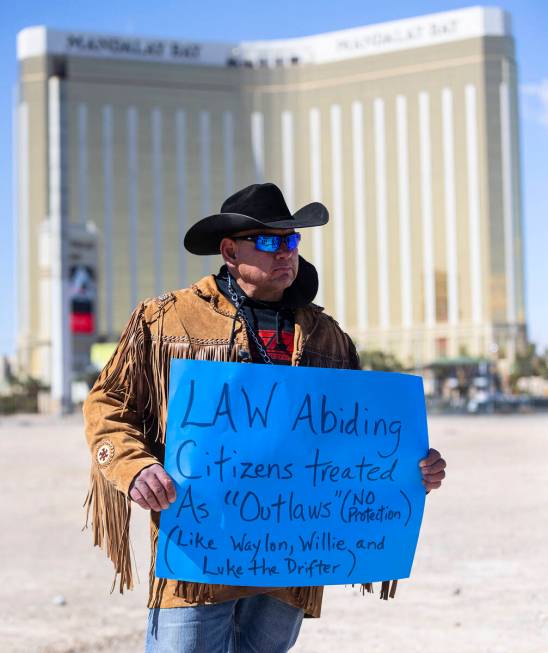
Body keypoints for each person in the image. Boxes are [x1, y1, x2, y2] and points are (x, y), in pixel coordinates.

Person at [83, 182, 447, 653]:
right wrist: (133, 467)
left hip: (291, 550)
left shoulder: (326, 336)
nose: (286, 253)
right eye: (271, 241)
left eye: (292, 241)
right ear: (230, 251)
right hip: (200, 551)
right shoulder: (167, 320)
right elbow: (106, 404)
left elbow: (358, 437)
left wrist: (410, 467)